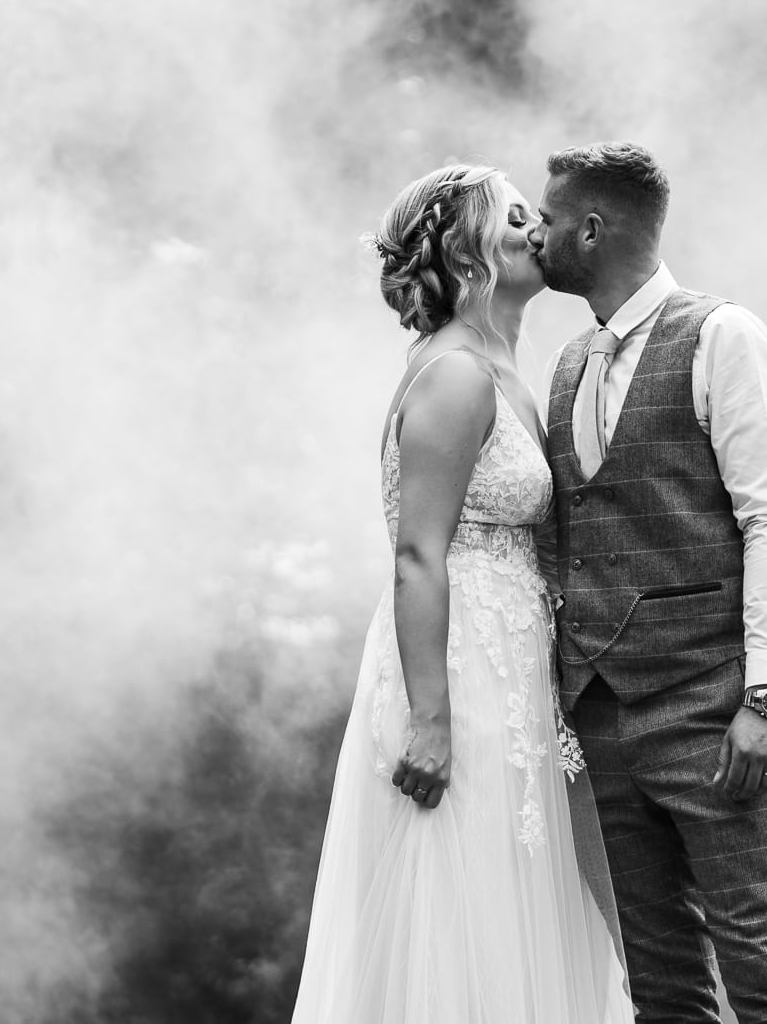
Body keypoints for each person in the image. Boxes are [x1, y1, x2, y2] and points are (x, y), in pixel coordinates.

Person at [290, 163, 633, 1024]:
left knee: (520, 916)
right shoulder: (455, 375)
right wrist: (431, 717)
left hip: (516, 676)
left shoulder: (508, 371)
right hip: (459, 672)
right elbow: (415, 553)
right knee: (458, 912)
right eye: (516, 216)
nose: (536, 228)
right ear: (469, 251)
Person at [528, 142, 767, 1024]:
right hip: (602, 717)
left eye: (547, 220)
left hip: (716, 711)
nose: (535, 235)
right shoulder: (568, 366)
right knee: (662, 993)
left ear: (590, 227)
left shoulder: (724, 335)